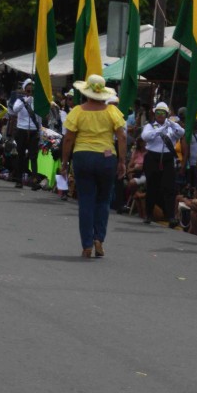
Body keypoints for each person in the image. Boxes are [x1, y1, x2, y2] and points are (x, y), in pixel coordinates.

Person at [59, 74, 126, 258]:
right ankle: (99, 239)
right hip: (106, 158)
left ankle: (87, 244)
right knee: (103, 200)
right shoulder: (112, 111)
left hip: (83, 157)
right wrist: (122, 161)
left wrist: (64, 162)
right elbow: (122, 137)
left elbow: (68, 139)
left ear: (87, 93)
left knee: (86, 201)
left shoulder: (78, 111)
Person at [141, 102, 185, 225]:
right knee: (152, 187)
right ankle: (148, 214)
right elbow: (145, 137)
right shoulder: (149, 126)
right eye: (158, 113)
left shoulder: (171, 126)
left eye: (163, 113)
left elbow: (181, 132)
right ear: (155, 114)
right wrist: (160, 130)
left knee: (169, 187)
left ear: (166, 114)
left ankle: (170, 216)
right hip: (152, 158)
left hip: (167, 158)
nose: (160, 115)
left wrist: (170, 123)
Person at [11, 78, 42, 189]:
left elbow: (39, 119)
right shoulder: (20, 100)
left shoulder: (37, 102)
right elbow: (15, 110)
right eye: (28, 91)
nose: (30, 93)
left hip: (33, 131)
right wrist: (25, 102)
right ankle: (19, 180)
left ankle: (34, 181)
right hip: (22, 130)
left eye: (32, 91)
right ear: (25, 91)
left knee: (33, 156)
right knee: (21, 155)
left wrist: (40, 134)